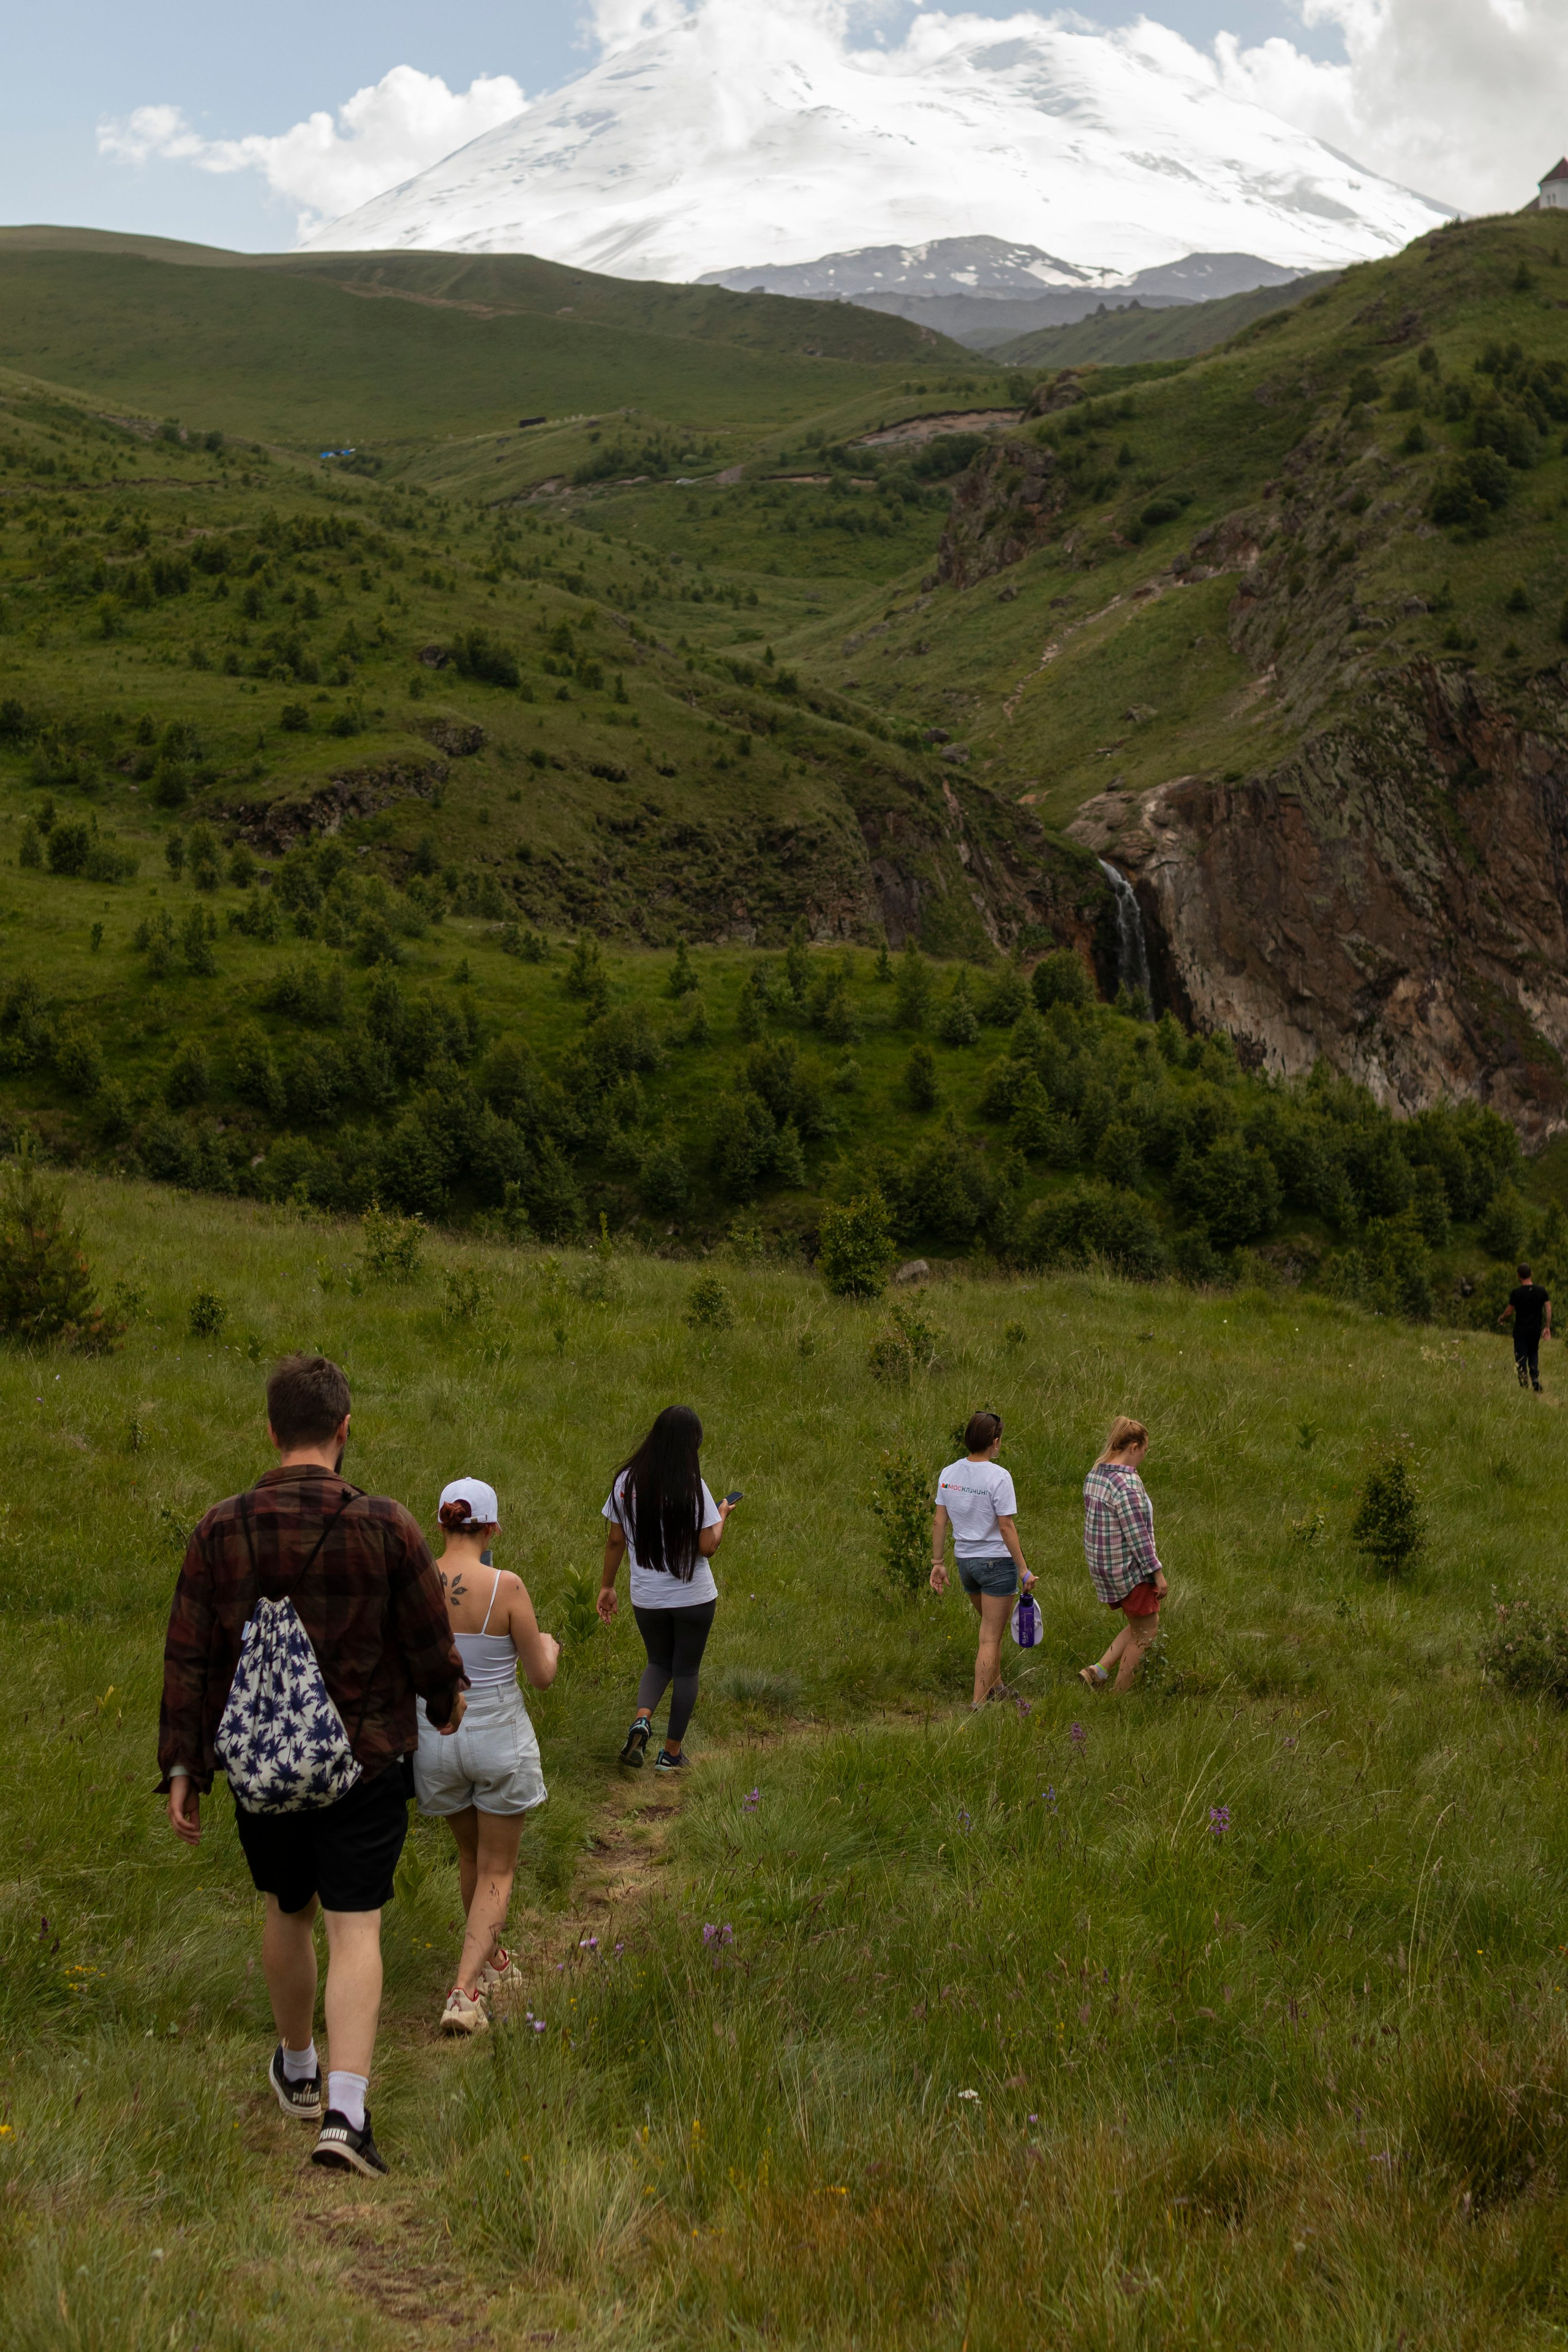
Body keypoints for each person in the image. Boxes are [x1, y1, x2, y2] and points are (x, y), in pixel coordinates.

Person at [159, 1354, 466, 2180]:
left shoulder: (219, 1530)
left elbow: (189, 1655)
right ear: (344, 1429)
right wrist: (443, 1703)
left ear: (270, 1429)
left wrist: (186, 1767)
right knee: (354, 1925)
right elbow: (428, 1642)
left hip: (263, 1770)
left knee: (285, 1909)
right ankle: (346, 2115)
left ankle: (297, 2067)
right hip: (365, 1762)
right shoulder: (387, 1524)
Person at [414, 1477, 559, 2037]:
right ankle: (464, 1991)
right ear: (493, 1527)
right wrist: (548, 1645)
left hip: (436, 1731)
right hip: (496, 1731)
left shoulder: (417, 1582)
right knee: (499, 1868)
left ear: (441, 1522)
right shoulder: (508, 1587)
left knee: (472, 1857)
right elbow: (541, 1677)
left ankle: (493, 1962)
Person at [597, 1404, 735, 1771]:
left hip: (647, 1597)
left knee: (658, 1661)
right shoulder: (693, 1487)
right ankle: (671, 1754)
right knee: (686, 1670)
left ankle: (642, 1719)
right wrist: (720, 1517)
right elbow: (707, 1546)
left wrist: (606, 1586)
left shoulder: (625, 1481)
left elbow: (614, 1541)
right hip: (694, 1597)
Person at [930, 1410, 1035, 1710]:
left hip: (966, 1565)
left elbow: (940, 1522)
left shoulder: (948, 1474)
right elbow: (1006, 1526)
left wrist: (938, 1562)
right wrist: (1024, 1570)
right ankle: (977, 1706)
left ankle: (997, 1685)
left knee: (993, 1628)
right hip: (997, 1566)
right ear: (995, 1442)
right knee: (990, 1637)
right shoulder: (999, 1477)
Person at [1079, 1416, 1167, 1693]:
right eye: (1144, 1452)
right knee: (1147, 1631)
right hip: (1128, 1568)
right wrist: (1158, 1574)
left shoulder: (1096, 1475)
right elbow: (1138, 1537)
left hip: (1103, 1565)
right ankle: (1119, 1695)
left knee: (1138, 1622)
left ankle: (1097, 1671)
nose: (1143, 1458)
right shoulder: (1126, 1485)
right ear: (1134, 1447)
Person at [1499, 1264, 1553, 1392]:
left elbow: (1509, 1311)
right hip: (1535, 1329)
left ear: (1518, 1276)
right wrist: (1547, 1327)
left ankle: (1524, 1380)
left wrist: (1501, 1318)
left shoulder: (1516, 1293)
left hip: (1521, 1330)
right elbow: (1548, 1309)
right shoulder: (1542, 1291)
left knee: (1521, 1355)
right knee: (1533, 1352)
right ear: (1531, 1274)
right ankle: (1534, 1377)